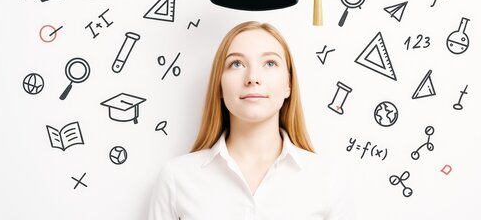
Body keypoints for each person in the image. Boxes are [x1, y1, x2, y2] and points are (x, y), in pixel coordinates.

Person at [148, 21, 354, 219]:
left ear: (288, 85)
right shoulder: (176, 178)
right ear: (219, 85)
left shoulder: (328, 179)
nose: (253, 77)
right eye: (236, 64)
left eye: (270, 63)